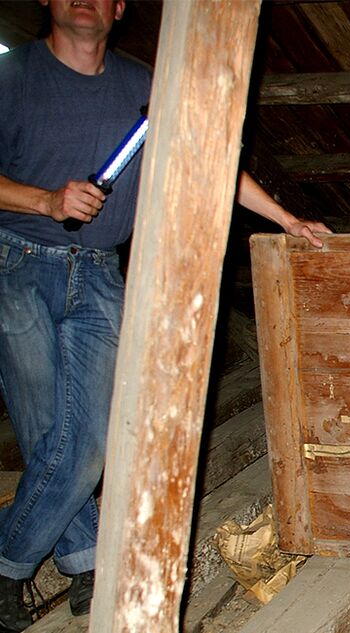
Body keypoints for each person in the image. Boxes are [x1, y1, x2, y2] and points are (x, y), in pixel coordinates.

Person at [0, 1, 330, 629]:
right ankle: (84, 560)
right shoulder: (12, 77)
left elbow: (209, 159)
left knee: (87, 443)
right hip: (16, 264)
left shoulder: (142, 83)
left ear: (120, 8)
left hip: (99, 272)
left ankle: (9, 561)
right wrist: (44, 201)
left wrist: (286, 219)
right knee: (51, 437)